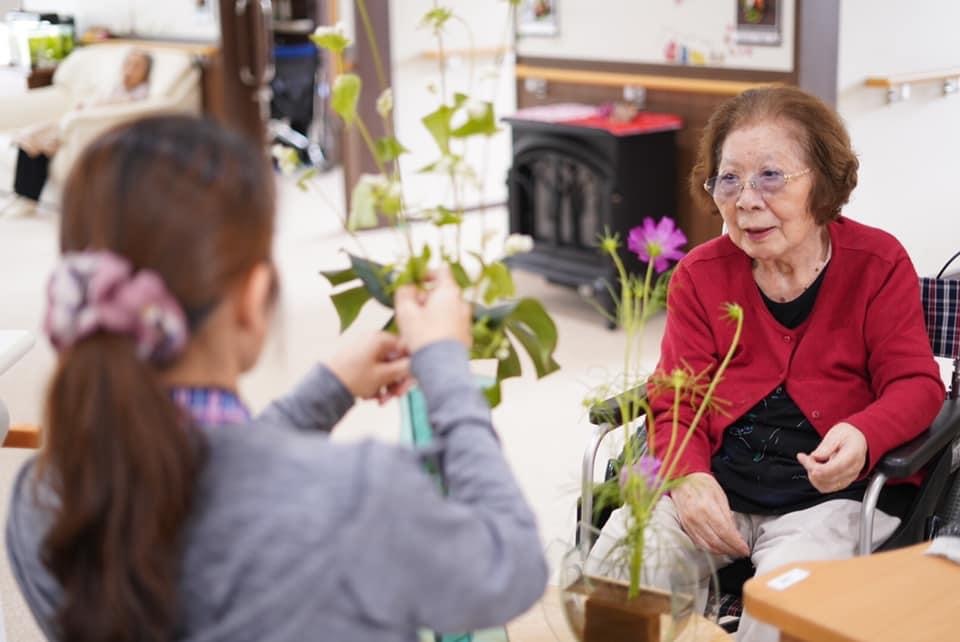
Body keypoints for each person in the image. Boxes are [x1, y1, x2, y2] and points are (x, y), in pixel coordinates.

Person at [6, 115, 547, 641]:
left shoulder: (41, 499)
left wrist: (327, 390)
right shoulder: (356, 497)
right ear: (252, 297)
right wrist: (447, 368)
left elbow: (211, 476)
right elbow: (512, 564)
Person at [589, 86, 943, 642]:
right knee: (613, 592)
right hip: (716, 486)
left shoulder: (877, 263)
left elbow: (918, 385)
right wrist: (686, 476)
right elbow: (676, 396)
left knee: (780, 618)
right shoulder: (702, 273)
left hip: (829, 501)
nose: (746, 200)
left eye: (771, 176)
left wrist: (863, 433)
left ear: (821, 183)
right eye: (729, 179)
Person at [3, 48, 153, 217]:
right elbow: (89, 101)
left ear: (145, 72)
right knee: (32, 138)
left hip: (85, 127)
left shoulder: (140, 95)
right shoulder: (113, 86)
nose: (130, 69)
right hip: (71, 120)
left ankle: (28, 199)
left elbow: (112, 113)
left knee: (39, 140)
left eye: (137, 66)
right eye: (128, 63)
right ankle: (22, 196)